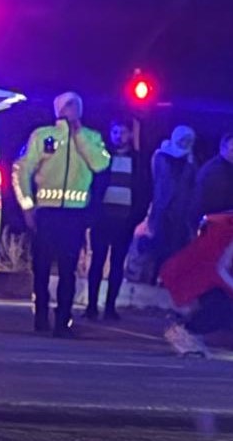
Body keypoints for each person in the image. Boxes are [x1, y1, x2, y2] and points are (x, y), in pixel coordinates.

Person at [12, 92, 111, 337]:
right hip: (46, 214)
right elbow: (21, 170)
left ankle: (63, 320)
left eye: (76, 105)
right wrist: (27, 206)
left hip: (74, 215)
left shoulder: (91, 137)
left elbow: (100, 164)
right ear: (58, 109)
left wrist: (78, 134)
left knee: (68, 269)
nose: (72, 109)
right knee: (42, 267)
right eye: (67, 105)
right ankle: (41, 316)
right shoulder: (43, 136)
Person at [160, 217, 233, 357]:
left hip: (199, 279)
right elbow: (218, 269)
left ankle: (189, 331)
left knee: (226, 310)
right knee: (225, 310)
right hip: (193, 278)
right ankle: (183, 330)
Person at [86, 120, 147, 320]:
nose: (118, 136)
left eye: (122, 131)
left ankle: (110, 307)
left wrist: (137, 217)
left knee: (117, 264)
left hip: (125, 220)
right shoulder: (103, 158)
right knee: (97, 261)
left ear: (130, 135)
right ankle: (92, 306)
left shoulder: (137, 161)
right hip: (102, 219)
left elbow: (144, 190)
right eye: (114, 131)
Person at [149, 125, 198, 281]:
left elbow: (190, 187)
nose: (185, 143)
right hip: (162, 209)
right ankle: (153, 277)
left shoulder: (190, 161)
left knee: (175, 247)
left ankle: (168, 279)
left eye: (189, 140)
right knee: (158, 246)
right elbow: (155, 181)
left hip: (180, 213)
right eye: (183, 139)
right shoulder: (160, 156)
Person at [193, 134, 233, 219]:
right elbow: (215, 203)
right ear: (222, 149)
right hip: (211, 219)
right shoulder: (214, 170)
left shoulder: (227, 166)